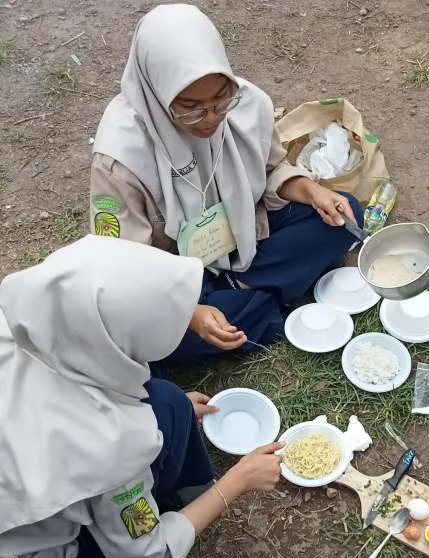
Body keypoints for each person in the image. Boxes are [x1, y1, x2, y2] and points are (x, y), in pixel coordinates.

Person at [0, 236, 284, 558]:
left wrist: (170, 408)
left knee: (167, 402)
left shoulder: (24, 318)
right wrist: (238, 480)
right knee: (162, 411)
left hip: (24, 490)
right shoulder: (108, 444)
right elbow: (149, 556)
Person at [89, 4, 364, 363]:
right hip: (173, 276)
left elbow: (271, 171)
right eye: (190, 107)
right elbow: (121, 265)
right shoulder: (121, 158)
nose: (210, 119)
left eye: (220, 100)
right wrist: (190, 314)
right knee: (134, 334)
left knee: (344, 216)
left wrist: (312, 190)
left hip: (243, 232)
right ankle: (261, 297)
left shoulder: (246, 105)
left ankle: (247, 298)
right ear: (156, 92)